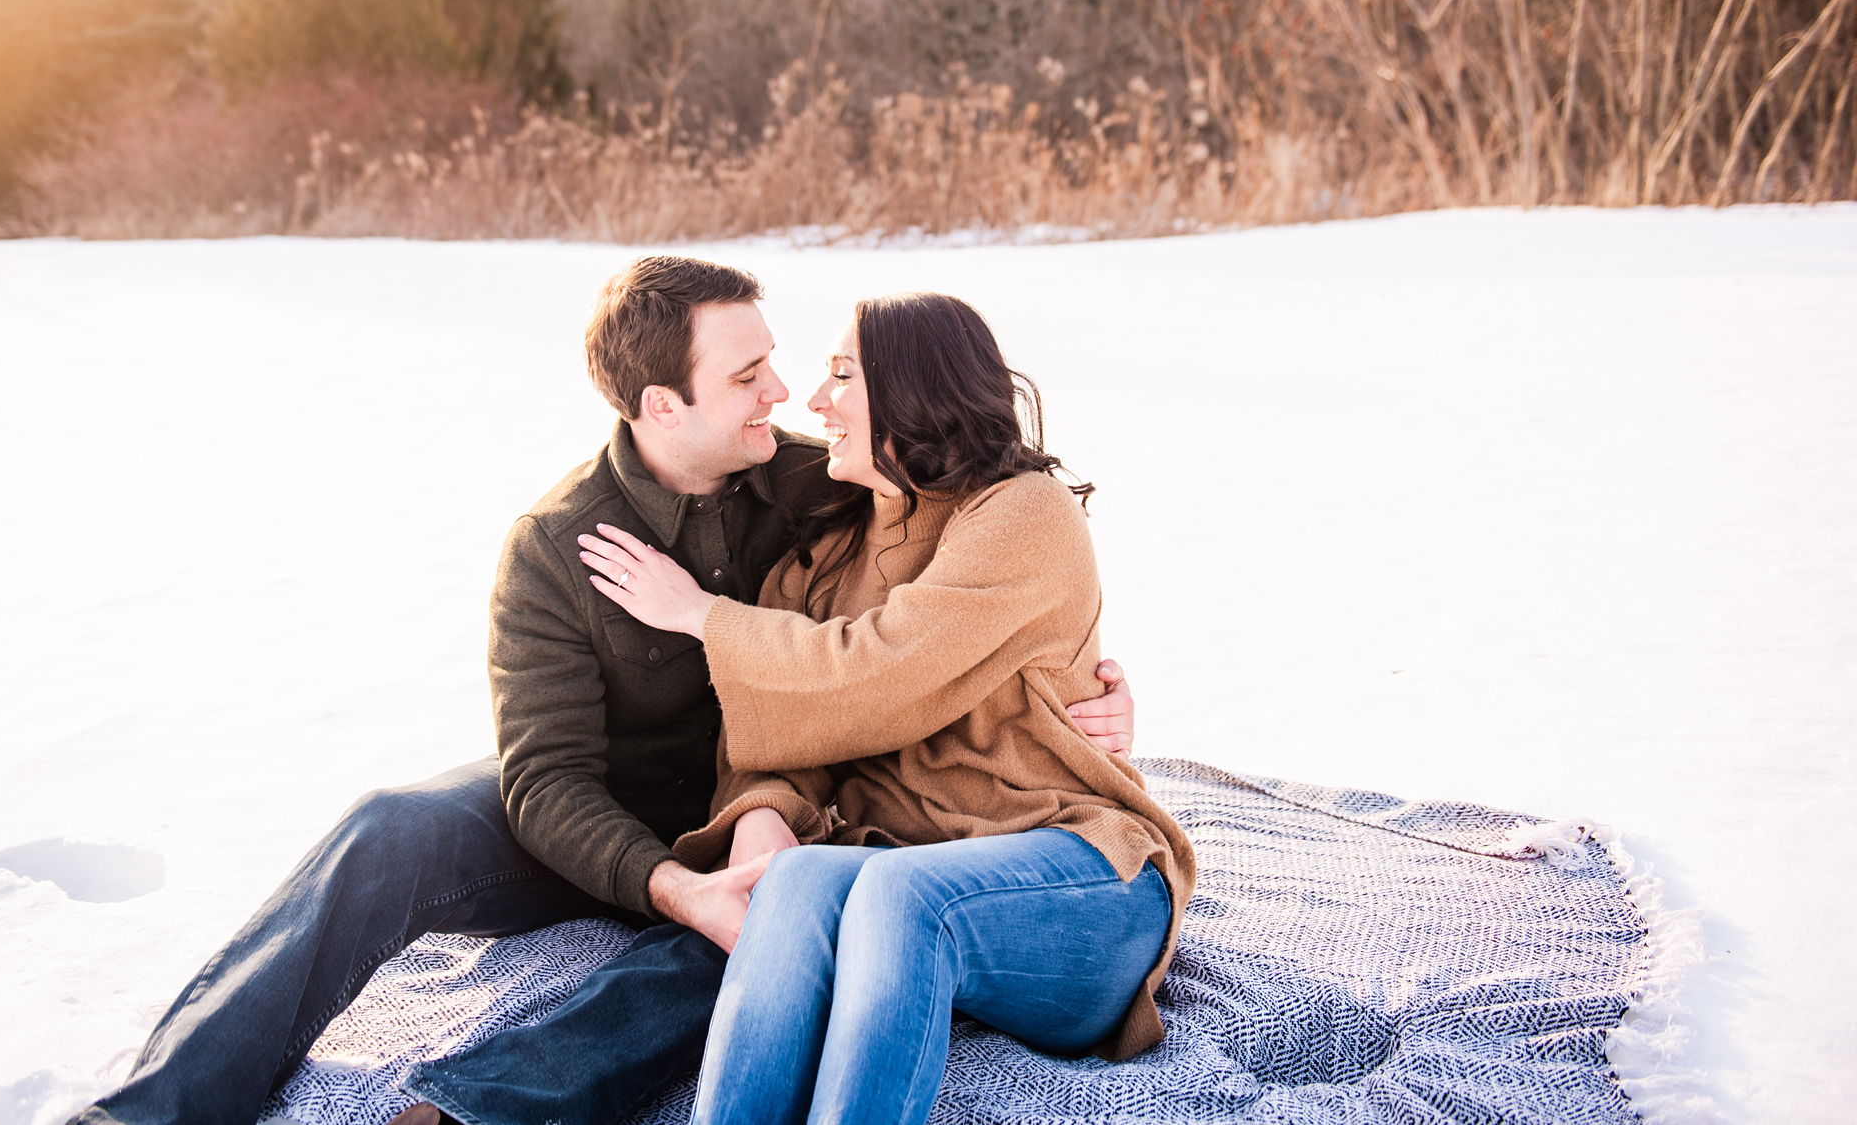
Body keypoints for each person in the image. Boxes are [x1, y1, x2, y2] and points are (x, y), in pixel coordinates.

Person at [71, 258, 1136, 1125]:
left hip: (764, 811)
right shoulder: (553, 546)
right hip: (612, 809)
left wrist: (1084, 695)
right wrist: (671, 882)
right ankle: (148, 1111)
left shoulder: (821, 482)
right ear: (660, 405)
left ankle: (472, 1112)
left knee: (755, 921)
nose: (783, 395)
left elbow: (958, 549)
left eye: (783, 366)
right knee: (387, 828)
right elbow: (542, 784)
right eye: (749, 376)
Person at [404, 292, 1194, 1125]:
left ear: (913, 389)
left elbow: (876, 675)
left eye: (841, 374)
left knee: (894, 895)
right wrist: (761, 821)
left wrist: (702, 614)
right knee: (806, 881)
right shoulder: (823, 557)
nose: (809, 401)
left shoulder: (1020, 512)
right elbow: (782, 727)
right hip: (913, 883)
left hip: (1077, 879)